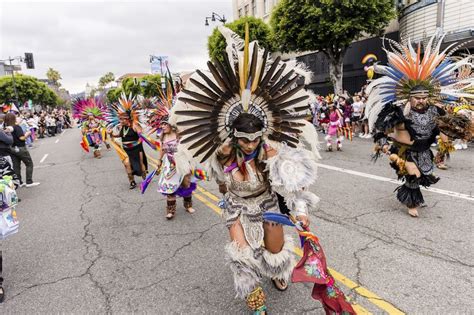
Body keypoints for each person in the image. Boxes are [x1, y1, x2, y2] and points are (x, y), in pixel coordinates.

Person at [171, 26, 348, 314]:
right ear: (233, 136)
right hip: (237, 208)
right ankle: (257, 304)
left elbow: (294, 187)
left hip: (267, 205)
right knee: (242, 257)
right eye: (244, 139)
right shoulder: (222, 153)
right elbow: (197, 162)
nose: (250, 143)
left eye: (255, 138)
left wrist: (300, 213)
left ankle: (277, 271)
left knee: (276, 253)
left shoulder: (271, 151)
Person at [366, 33, 473, 217]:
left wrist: (462, 129)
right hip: (403, 150)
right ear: (409, 97)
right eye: (418, 98)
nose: (421, 101)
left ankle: (414, 196)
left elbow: (448, 125)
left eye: (424, 98)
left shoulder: (434, 110)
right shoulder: (399, 111)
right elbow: (382, 128)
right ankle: (411, 203)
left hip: (423, 150)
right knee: (413, 175)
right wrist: (382, 143)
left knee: (422, 176)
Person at [156, 117, 196, 219]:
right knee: (169, 186)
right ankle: (171, 211)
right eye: (162, 124)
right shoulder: (163, 137)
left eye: (165, 124)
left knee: (186, 184)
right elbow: (162, 149)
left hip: (182, 163)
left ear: (172, 125)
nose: (163, 126)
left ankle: (188, 206)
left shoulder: (179, 135)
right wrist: (159, 160)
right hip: (169, 165)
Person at [108, 94, 148, 189]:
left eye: (122, 119)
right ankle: (132, 181)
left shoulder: (134, 125)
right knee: (127, 164)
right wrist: (112, 134)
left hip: (137, 148)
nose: (120, 121)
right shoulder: (122, 127)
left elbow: (141, 134)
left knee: (140, 163)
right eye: (120, 119)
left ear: (128, 119)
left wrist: (139, 135)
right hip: (126, 150)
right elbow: (120, 135)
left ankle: (144, 178)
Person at [4, 113, 39, 188]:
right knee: (29, 163)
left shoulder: (6, 129)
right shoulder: (16, 127)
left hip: (12, 149)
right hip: (20, 148)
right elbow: (21, 138)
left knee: (16, 166)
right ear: (13, 119)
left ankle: (19, 182)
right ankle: (29, 181)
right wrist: (27, 134)